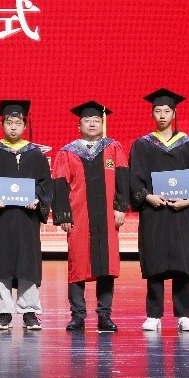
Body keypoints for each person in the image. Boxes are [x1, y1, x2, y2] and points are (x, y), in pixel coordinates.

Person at [128, 88, 189, 333]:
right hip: (155, 212)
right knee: (155, 262)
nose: (162, 115)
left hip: (182, 213)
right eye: (158, 111)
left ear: (174, 113)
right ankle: (154, 315)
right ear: (152, 114)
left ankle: (184, 315)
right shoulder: (143, 145)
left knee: (182, 262)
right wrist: (147, 196)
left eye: (166, 111)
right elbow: (134, 178)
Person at [51, 101, 130, 332]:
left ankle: (104, 315)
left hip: (107, 216)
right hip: (79, 215)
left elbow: (122, 179)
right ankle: (78, 315)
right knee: (77, 263)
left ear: (102, 124)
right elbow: (60, 185)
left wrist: (120, 207)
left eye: (96, 120)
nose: (93, 123)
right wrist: (64, 215)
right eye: (88, 120)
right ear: (79, 125)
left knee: (106, 264)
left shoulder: (113, 148)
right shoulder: (67, 152)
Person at [0, 100, 52, 331]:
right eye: (9, 122)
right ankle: (4, 313)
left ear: (25, 126)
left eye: (18, 123)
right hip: (1, 218)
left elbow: (45, 184)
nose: (14, 127)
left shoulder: (35, 154)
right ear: (2, 124)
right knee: (2, 263)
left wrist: (37, 198)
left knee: (27, 263)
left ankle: (29, 312)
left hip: (27, 218)